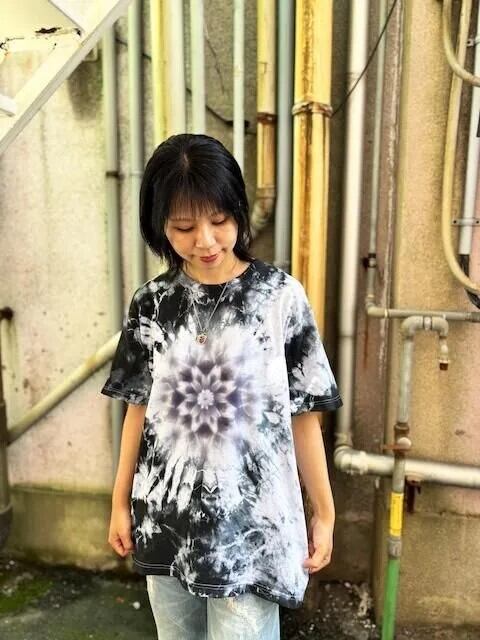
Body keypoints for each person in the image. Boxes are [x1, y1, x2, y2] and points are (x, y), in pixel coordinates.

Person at [101, 133, 343, 640]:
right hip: (167, 520)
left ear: (238, 211)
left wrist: (324, 511)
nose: (206, 242)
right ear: (159, 226)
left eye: (219, 220)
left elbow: (304, 415)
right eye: (184, 227)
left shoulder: (279, 298)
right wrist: (120, 502)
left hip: (250, 529)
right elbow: (137, 410)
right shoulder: (152, 303)